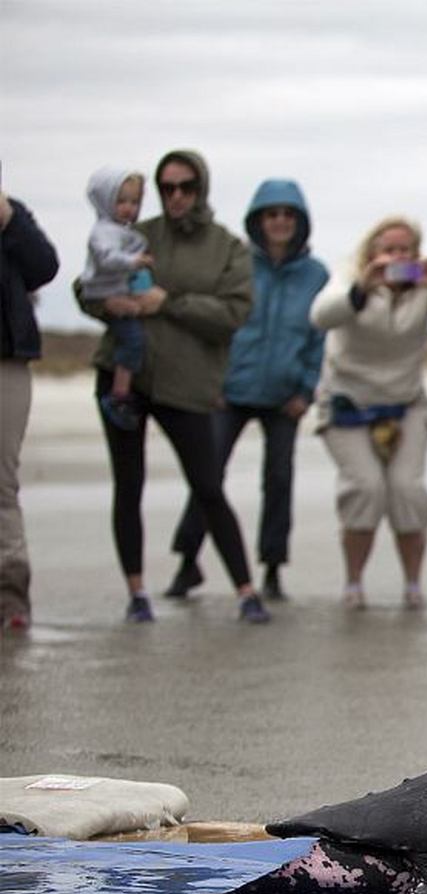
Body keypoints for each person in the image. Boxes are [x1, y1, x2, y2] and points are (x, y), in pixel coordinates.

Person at [75, 150, 265, 624]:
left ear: (202, 188)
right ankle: (137, 594)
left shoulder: (228, 248)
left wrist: (168, 303)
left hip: (188, 382)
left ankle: (246, 591)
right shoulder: (139, 234)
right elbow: (86, 285)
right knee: (129, 484)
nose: (175, 196)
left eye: (186, 186)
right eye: (166, 187)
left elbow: (234, 315)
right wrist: (106, 305)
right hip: (124, 375)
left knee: (207, 486)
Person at [166, 179, 328, 604]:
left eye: (288, 215)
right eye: (271, 214)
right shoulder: (235, 262)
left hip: (284, 394)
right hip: (229, 390)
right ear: (258, 220)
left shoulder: (316, 275)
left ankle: (272, 567)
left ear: (300, 222)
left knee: (278, 478)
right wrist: (211, 381)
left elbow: (318, 339)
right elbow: (217, 324)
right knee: (207, 475)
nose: (279, 222)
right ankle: (188, 561)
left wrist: (306, 391)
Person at [309, 215, 427, 610]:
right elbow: (320, 316)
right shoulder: (349, 278)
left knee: (406, 490)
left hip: (406, 405)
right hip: (347, 403)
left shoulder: (424, 287)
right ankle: (353, 583)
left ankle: (413, 585)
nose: (398, 257)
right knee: (366, 488)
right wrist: (361, 288)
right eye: (389, 250)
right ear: (372, 253)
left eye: (406, 250)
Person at [1, 182, 60, 632]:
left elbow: (44, 267)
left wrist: (7, 218)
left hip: (7, 360)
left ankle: (10, 600)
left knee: (1, 482)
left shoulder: (12, 215)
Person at [78, 168, 155, 429]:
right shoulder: (104, 232)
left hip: (120, 289)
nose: (129, 209)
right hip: (106, 292)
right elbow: (105, 259)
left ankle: (121, 392)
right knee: (133, 340)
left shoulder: (127, 231)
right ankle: (119, 394)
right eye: (121, 202)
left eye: (134, 202)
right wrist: (133, 262)